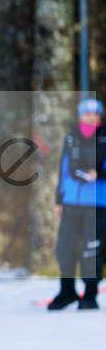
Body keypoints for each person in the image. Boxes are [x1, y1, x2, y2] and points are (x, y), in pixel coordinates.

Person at [48, 98, 106, 311]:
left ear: (100, 116)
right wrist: (59, 200)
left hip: (97, 202)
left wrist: (99, 174)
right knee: (65, 247)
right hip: (71, 201)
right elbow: (64, 170)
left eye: (95, 114)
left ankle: (90, 295)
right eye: (86, 113)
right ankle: (67, 291)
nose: (90, 117)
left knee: (91, 249)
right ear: (80, 116)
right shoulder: (71, 137)